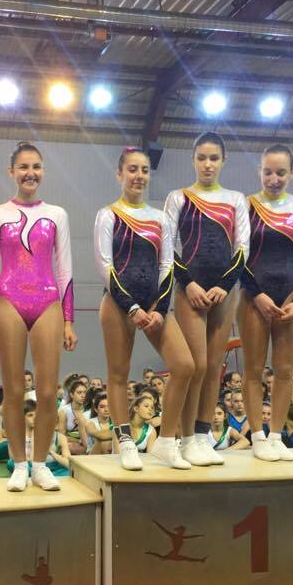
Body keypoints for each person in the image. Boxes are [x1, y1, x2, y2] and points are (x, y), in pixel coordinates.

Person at [0, 141, 78, 492]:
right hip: (7, 298)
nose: (30, 173)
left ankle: (40, 464)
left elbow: (65, 269)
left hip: (48, 299)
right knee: (14, 390)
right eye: (23, 167)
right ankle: (20, 464)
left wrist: (68, 319)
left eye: (36, 166)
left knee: (48, 391)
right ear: (11, 172)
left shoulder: (57, 214)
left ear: (43, 171)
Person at [94, 146, 195, 470]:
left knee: (185, 365)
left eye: (144, 170)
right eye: (132, 169)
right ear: (119, 174)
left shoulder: (160, 218)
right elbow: (105, 266)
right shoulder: (108, 215)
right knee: (118, 373)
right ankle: (125, 442)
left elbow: (167, 264)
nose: (139, 176)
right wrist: (132, 308)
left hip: (155, 304)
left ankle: (165, 442)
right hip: (118, 303)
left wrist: (160, 309)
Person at [164, 131, 249, 469]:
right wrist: (189, 284)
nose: (208, 164)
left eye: (214, 158)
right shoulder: (179, 197)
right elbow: (167, 246)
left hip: (224, 290)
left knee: (214, 367)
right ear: (193, 160)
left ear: (223, 161)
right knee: (196, 366)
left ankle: (202, 436)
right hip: (191, 289)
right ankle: (186, 439)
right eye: (202, 158)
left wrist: (226, 285)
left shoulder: (236, 199)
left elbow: (242, 248)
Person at [239, 144, 293, 461]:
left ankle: (276, 436)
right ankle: (257, 436)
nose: (274, 179)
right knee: (253, 370)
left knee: (284, 370)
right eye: (268, 172)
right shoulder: (245, 206)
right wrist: (257, 295)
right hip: (252, 297)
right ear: (259, 171)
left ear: (292, 174)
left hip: (290, 298)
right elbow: (239, 257)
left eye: (281, 173)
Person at [8, 399, 72, 477]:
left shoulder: (59, 437)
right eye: (30, 415)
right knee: (11, 463)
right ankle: (48, 476)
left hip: (51, 466)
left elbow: (69, 463)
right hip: (29, 465)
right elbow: (14, 458)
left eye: (37, 415)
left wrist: (52, 453)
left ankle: (44, 476)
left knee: (69, 471)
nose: (34, 418)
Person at [58, 379, 89, 455]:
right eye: (79, 393)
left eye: (85, 392)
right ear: (71, 395)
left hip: (88, 443)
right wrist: (78, 441)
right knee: (68, 446)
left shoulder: (90, 409)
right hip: (72, 443)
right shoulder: (64, 411)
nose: (83, 396)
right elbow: (61, 435)